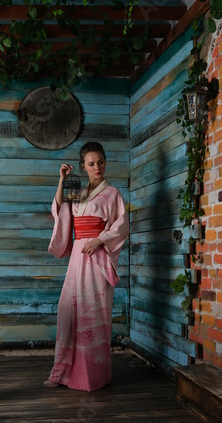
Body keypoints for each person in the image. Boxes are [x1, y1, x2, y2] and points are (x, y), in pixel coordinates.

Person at [44, 141, 129, 392]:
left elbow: (121, 226)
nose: (97, 167)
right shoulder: (76, 190)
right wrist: (62, 180)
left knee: (92, 314)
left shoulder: (113, 193)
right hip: (78, 257)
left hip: (97, 257)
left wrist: (99, 239)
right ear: (83, 166)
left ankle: (92, 375)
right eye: (91, 164)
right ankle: (61, 372)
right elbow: (60, 213)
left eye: (100, 162)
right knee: (67, 311)